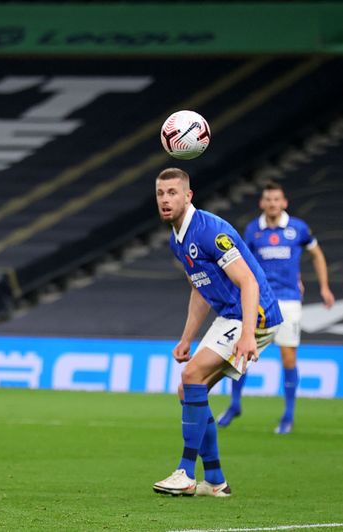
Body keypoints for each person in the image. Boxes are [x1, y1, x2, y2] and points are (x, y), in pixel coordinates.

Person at [151, 168, 282, 498]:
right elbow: (200, 288)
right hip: (230, 315)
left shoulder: (210, 231)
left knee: (192, 374)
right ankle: (215, 480)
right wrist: (186, 337)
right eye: (160, 193)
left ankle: (185, 472)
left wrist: (249, 334)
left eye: (172, 193)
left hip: (257, 313)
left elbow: (248, 281)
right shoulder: (176, 240)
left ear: (188, 196)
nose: (165, 199)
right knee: (188, 389)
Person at [218, 181, 335, 433]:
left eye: (276, 199)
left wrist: (324, 287)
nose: (272, 203)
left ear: (284, 203)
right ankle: (235, 404)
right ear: (262, 203)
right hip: (259, 300)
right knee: (243, 352)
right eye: (268, 199)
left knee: (288, 356)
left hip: (289, 299)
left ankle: (288, 415)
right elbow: (242, 264)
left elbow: (317, 254)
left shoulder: (298, 229)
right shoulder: (253, 230)